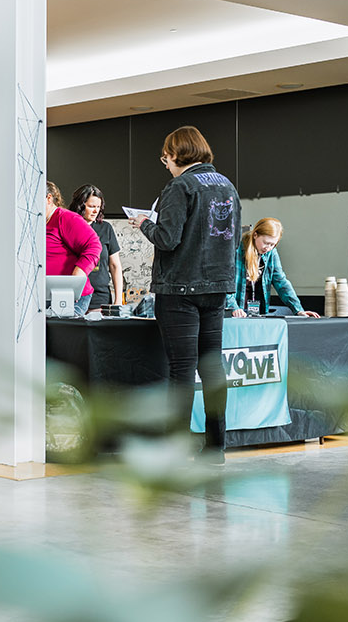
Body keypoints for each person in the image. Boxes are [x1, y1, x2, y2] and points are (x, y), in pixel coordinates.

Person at [127, 126, 240, 463]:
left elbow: (167, 238)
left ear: (178, 154)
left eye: (166, 157)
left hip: (180, 289)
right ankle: (216, 447)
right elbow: (232, 240)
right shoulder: (227, 186)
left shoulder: (180, 186)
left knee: (181, 369)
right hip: (217, 287)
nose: (165, 164)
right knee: (212, 367)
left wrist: (144, 224)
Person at [226, 218, 320, 318]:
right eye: (266, 243)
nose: (268, 248)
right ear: (255, 235)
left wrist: (298, 310)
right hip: (234, 311)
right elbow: (224, 283)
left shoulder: (271, 253)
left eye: (272, 244)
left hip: (257, 313)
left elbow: (281, 283)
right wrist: (234, 308)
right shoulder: (235, 250)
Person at [44, 181, 101, 317]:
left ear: (49, 198)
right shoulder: (38, 222)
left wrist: (75, 280)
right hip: (45, 294)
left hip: (70, 296)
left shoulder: (65, 218)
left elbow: (94, 246)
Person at [69, 184, 122, 312]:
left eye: (98, 207)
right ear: (80, 206)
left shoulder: (106, 228)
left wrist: (118, 300)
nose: (95, 211)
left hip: (100, 297)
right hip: (72, 296)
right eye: (91, 206)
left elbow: (115, 266)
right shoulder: (68, 226)